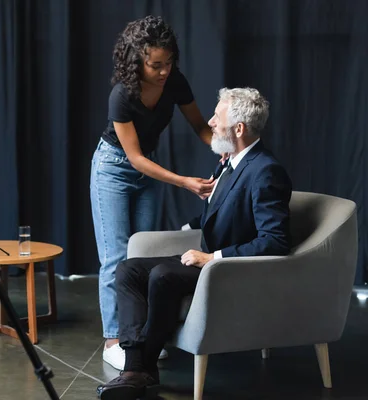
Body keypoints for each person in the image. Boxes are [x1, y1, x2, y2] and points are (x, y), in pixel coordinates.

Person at [97, 87, 293, 399]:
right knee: (128, 269)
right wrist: (187, 227)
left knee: (163, 274)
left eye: (218, 117)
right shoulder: (230, 162)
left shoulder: (265, 171)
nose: (211, 123)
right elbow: (225, 212)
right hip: (207, 259)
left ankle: (139, 368)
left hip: (231, 270)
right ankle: (136, 367)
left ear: (239, 128)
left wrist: (213, 257)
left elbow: (275, 241)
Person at [90, 15, 219, 370]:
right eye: (155, 65)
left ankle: (142, 334)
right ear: (138, 61)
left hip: (149, 169)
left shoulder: (175, 81)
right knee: (115, 255)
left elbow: (198, 125)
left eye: (169, 63)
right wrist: (183, 181)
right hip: (113, 168)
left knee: (142, 250)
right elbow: (132, 157)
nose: (164, 71)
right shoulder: (122, 95)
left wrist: (224, 147)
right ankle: (114, 339)